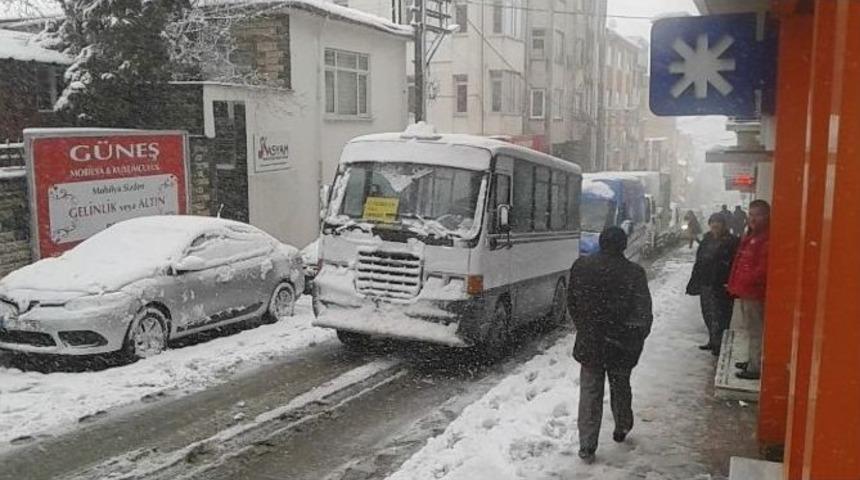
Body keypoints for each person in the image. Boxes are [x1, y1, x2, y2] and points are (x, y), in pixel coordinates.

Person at [568, 227, 653, 463]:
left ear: (601, 243)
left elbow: (572, 302)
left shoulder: (581, 266)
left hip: (591, 342)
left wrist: (585, 328)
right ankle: (622, 425)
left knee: (590, 393)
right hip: (621, 344)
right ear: (624, 245)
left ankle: (587, 445)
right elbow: (643, 312)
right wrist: (634, 339)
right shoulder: (634, 273)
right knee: (621, 386)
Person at [727, 199, 770, 380]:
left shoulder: (765, 238)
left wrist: (746, 281)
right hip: (746, 290)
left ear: (767, 216)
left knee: (755, 330)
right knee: (749, 328)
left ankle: (755, 367)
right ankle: (752, 360)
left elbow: (762, 268)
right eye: (751, 214)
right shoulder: (752, 235)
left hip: (754, 292)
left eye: (758, 215)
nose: (753, 219)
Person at [686, 214, 739, 355]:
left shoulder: (732, 241)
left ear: (724, 225)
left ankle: (720, 343)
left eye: (718, 222)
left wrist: (731, 282)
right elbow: (699, 261)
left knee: (721, 314)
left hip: (722, 284)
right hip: (706, 282)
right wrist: (695, 280)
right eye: (712, 222)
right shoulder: (706, 240)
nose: (715, 225)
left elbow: (735, 263)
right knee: (708, 312)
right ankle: (712, 339)